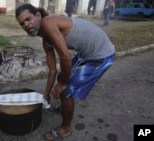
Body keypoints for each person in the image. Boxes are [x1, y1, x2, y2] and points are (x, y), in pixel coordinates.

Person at [15, 4, 115, 141]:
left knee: (67, 89)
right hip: (86, 54)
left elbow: (66, 57)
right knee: (62, 77)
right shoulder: (46, 42)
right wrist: (46, 94)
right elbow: (52, 70)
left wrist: (63, 84)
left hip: (101, 55)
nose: (26, 24)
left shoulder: (48, 22)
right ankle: (64, 108)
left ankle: (66, 128)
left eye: (28, 19)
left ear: (38, 15)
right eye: (22, 23)